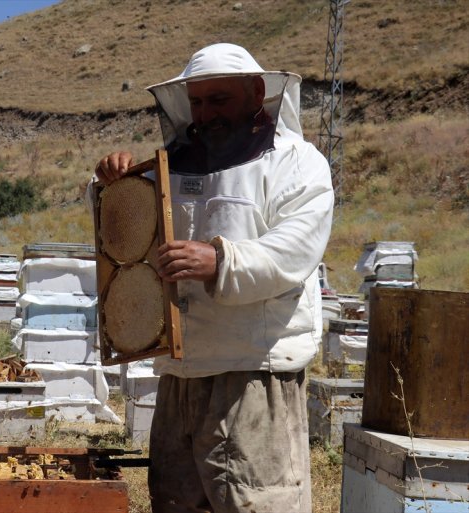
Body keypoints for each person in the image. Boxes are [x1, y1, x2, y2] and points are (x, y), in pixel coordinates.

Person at [95, 43, 334, 513]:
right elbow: (128, 240)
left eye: (219, 100)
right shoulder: (171, 165)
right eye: (198, 103)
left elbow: (295, 250)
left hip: (252, 373)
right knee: (176, 502)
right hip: (180, 374)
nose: (206, 114)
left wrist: (222, 263)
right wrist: (113, 182)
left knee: (256, 502)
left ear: (256, 93)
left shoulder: (297, 163)